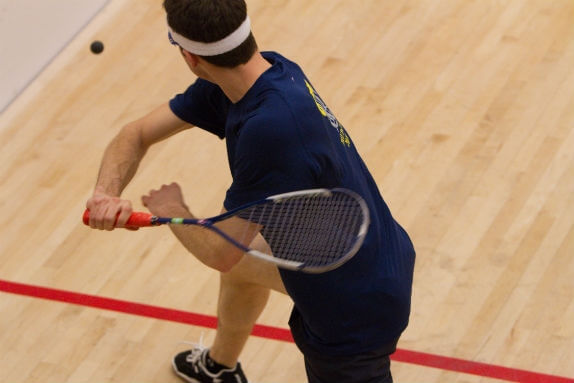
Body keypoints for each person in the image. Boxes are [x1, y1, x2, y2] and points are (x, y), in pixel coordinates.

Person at [85, 0, 416, 382]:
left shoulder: (272, 129)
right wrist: (104, 194)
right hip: (364, 253)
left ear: (190, 56)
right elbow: (137, 133)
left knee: (236, 259)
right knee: (244, 270)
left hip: (354, 308)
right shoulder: (269, 72)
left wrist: (173, 208)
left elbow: (222, 251)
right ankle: (220, 366)